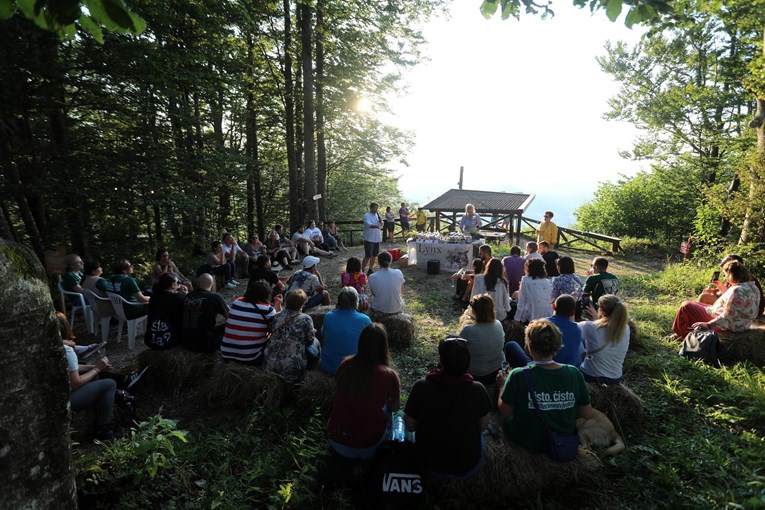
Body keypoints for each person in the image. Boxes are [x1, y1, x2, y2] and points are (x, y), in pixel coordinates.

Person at [497, 319, 593, 455]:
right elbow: (587, 413)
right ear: (558, 343)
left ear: (528, 344)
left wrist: (501, 385)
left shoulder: (518, 374)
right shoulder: (574, 373)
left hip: (526, 440)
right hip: (563, 440)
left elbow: (505, 411)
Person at [404, 337, 491, 479]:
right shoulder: (478, 389)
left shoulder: (421, 386)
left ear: (441, 361)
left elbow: (410, 426)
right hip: (468, 465)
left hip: (428, 464)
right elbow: (482, 427)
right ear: (468, 362)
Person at [328, 323, 401, 459]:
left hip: (336, 440)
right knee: (393, 414)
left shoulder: (345, 364)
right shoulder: (389, 375)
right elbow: (395, 407)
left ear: (360, 343)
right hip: (369, 447)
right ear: (384, 347)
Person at [672, 260, 761, 339]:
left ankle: (681, 335)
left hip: (728, 325)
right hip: (742, 324)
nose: (725, 277)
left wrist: (708, 325)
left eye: (726, 274)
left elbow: (729, 316)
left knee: (686, 305)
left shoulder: (737, 290)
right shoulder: (752, 287)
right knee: (695, 303)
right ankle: (688, 332)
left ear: (731, 274)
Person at [505, 294, 584, 368]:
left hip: (540, 368)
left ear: (553, 306)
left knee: (511, 345)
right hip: (565, 370)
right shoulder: (577, 329)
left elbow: (529, 351)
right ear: (573, 313)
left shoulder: (541, 325)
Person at [263, 289, 318, 384]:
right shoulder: (305, 318)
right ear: (301, 304)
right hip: (291, 371)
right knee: (316, 342)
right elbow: (310, 339)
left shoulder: (276, 316)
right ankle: (313, 367)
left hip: (268, 365)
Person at [64, 344, 117, 440]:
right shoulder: (67, 350)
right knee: (110, 384)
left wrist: (93, 367)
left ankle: (94, 418)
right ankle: (104, 428)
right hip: (65, 400)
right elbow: (76, 383)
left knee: (93, 377)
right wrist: (97, 369)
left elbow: (72, 367)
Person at [220, 281, 282, 364]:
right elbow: (278, 326)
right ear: (267, 295)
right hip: (250, 357)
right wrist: (278, 304)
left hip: (226, 353)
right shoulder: (267, 310)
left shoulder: (237, 302)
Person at [579, 294, 630, 384]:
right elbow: (604, 328)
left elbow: (570, 329)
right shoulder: (625, 328)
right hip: (615, 378)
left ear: (602, 310)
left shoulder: (589, 327)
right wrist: (597, 317)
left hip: (590, 376)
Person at [321, 287, 372, 375]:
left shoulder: (328, 316)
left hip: (328, 367)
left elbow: (323, 336)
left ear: (338, 303)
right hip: (353, 371)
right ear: (357, 303)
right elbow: (370, 345)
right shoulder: (365, 320)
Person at [459, 294, 506, 385]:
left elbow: (458, 350)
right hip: (497, 371)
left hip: (475, 374)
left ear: (475, 310)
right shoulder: (498, 324)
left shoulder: (468, 330)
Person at [698, 254, 765, 316]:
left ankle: (701, 316)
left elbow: (732, 295)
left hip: (748, 311)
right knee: (707, 297)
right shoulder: (741, 278)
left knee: (704, 297)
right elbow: (727, 293)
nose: (725, 275)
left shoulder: (746, 280)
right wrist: (714, 291)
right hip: (745, 309)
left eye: (726, 271)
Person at [181, 273, 230, 353]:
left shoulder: (187, 296)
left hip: (186, 341)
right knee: (230, 325)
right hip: (206, 343)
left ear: (198, 283)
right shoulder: (214, 297)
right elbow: (230, 317)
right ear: (212, 284)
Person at [144, 273, 188, 349]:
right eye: (177, 283)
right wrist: (186, 295)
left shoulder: (153, 297)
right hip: (172, 341)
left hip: (151, 339)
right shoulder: (179, 298)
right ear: (173, 284)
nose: (178, 285)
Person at [515, 258, 553, 323]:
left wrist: (517, 318)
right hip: (547, 315)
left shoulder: (526, 280)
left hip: (531, 315)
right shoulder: (548, 282)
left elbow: (522, 300)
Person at [362, 202, 383, 274]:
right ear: (371, 208)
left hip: (376, 238)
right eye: (375, 207)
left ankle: (370, 269)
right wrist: (377, 226)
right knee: (368, 255)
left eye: (377, 208)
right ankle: (362, 269)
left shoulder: (377, 215)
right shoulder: (367, 215)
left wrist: (381, 223)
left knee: (374, 255)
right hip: (369, 238)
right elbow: (368, 224)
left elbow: (381, 227)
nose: (376, 209)